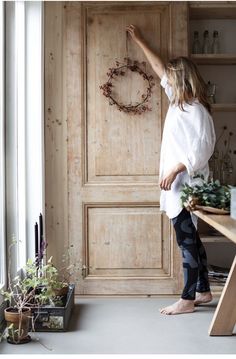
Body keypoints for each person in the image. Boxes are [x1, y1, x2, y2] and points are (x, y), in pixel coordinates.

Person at [126, 24, 216, 315]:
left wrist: (177, 168)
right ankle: (202, 291)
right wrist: (140, 40)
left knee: (186, 241)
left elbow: (204, 147)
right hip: (180, 185)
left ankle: (187, 299)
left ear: (183, 81)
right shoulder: (179, 105)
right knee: (192, 238)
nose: (167, 79)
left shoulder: (196, 110)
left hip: (187, 185)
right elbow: (158, 68)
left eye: (172, 78)